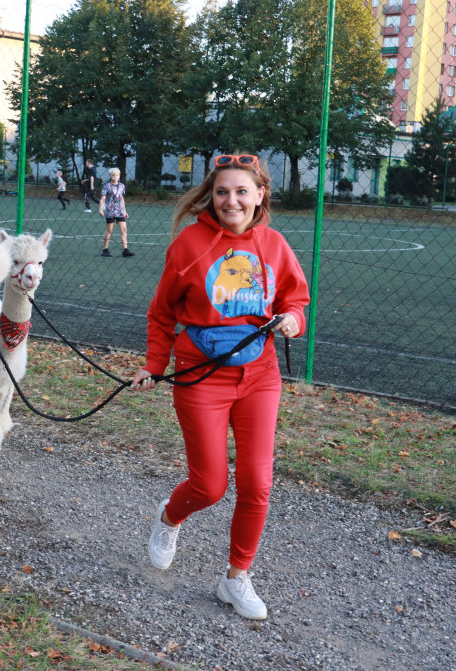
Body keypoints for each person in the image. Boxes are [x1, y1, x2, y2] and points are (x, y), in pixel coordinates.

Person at [130, 153, 310, 621]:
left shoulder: (273, 244)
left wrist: (292, 319)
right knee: (209, 485)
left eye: (242, 191)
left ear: (259, 196)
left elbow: (296, 299)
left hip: (259, 377)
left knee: (257, 482)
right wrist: (154, 364)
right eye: (223, 191)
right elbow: (162, 313)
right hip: (199, 377)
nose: (232, 200)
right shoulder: (189, 244)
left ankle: (236, 578)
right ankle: (169, 518)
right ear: (211, 196)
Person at [98, 168, 134, 257]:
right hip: (110, 210)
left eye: (116, 175)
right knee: (109, 230)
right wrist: (100, 209)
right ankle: (105, 249)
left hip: (120, 211)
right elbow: (102, 199)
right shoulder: (107, 186)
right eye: (113, 175)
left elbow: (121, 198)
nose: (115, 177)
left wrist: (124, 211)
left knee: (124, 229)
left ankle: (125, 250)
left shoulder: (122, 186)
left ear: (119, 176)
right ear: (110, 176)